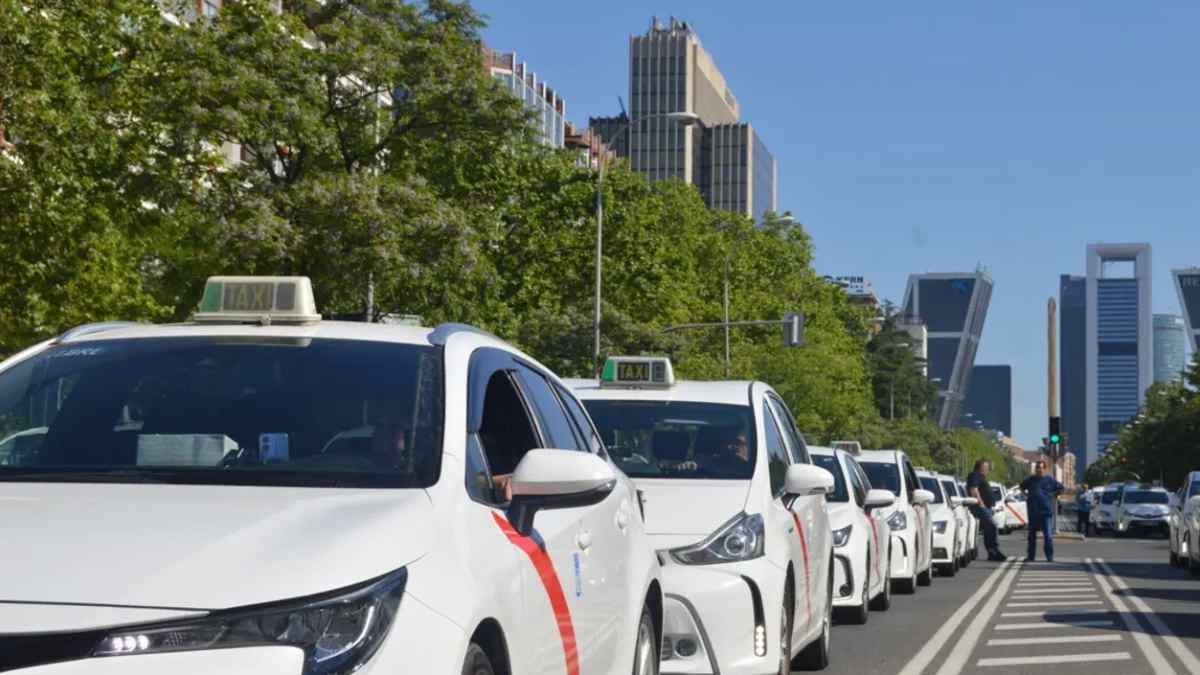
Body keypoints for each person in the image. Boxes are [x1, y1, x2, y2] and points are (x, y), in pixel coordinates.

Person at [1021, 460, 1065, 562]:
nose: (1039, 470)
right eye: (1037, 468)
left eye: (1041, 468)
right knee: (1032, 536)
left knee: (1048, 536)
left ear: (1044, 469)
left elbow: (1061, 488)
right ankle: (1031, 556)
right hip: (1033, 512)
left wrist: (1054, 496)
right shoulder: (1030, 480)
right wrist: (1026, 495)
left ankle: (1049, 557)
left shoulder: (1049, 480)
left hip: (1046, 512)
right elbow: (1021, 487)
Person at [966, 459, 1006, 561]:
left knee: (989, 529)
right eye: (986, 467)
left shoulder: (981, 477)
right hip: (979, 507)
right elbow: (973, 490)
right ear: (980, 467)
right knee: (992, 525)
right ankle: (993, 550)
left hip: (985, 507)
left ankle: (993, 552)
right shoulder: (975, 475)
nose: (988, 469)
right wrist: (981, 504)